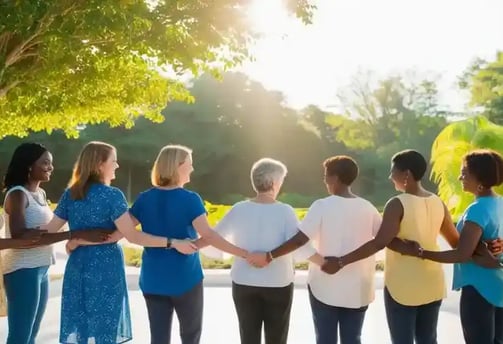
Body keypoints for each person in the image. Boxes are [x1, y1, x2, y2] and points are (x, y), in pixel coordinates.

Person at [319, 149, 502, 344]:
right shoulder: (437, 202)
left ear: (406, 174)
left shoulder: (396, 203)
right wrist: (487, 247)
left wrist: (341, 261)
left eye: (393, 172)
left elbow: (380, 242)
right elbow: (458, 242)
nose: (390, 177)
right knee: (428, 339)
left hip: (403, 284)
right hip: (432, 282)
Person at [40, 141, 197, 344]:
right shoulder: (112, 196)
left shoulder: (71, 195)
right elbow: (132, 236)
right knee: (106, 328)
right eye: (113, 161)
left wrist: (75, 239)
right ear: (99, 165)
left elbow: (49, 231)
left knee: (82, 325)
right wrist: (173, 242)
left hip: (78, 266)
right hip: (106, 267)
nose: (117, 166)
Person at [247, 155, 382, 344]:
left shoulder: (322, 206)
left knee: (325, 338)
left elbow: (300, 240)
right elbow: (383, 239)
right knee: (353, 338)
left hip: (325, 285)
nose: (324, 180)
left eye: (326, 175)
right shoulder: (368, 208)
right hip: (359, 287)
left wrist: (270, 256)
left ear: (334, 178)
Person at [127, 145, 249, 344]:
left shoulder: (144, 199)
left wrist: (80, 238)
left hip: (152, 280)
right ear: (178, 166)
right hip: (185, 279)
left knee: (158, 338)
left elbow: (126, 233)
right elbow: (209, 236)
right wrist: (243, 253)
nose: (192, 169)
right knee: (190, 337)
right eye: (190, 164)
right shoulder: (190, 200)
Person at [1, 142, 110, 344]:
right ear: (28, 166)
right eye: (45, 163)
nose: (51, 167)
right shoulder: (17, 194)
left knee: (31, 334)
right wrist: (75, 234)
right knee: (19, 336)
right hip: (23, 268)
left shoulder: (40, 194)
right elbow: (22, 239)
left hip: (41, 268)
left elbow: (43, 233)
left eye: (50, 163)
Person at [201, 158, 313, 344]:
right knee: (276, 338)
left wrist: (191, 245)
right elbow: (299, 245)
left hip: (244, 281)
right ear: (275, 182)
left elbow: (214, 238)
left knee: (248, 337)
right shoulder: (285, 211)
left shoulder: (239, 209)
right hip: (278, 283)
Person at [401, 149, 503, 344]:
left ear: (479, 177)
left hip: (479, 290)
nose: (460, 177)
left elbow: (461, 254)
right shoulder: (500, 203)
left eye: (464, 173)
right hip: (499, 287)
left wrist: (421, 252)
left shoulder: (477, 210)